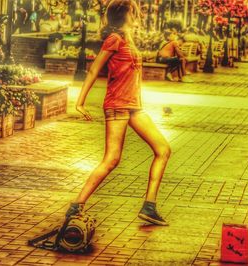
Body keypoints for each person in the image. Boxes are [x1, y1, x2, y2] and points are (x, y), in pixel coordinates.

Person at [66, 0, 171, 226]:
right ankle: (76, 206)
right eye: (134, 11)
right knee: (112, 159)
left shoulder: (128, 39)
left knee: (163, 149)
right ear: (125, 14)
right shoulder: (115, 39)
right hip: (117, 105)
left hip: (133, 107)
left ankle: (149, 206)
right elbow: (94, 69)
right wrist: (80, 101)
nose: (138, 15)